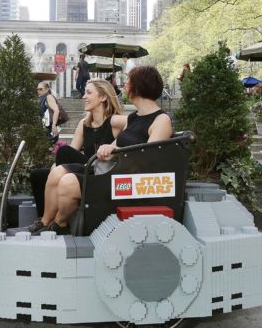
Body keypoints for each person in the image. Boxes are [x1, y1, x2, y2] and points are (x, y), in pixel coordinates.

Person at [32, 66, 173, 234]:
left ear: (138, 86)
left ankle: (59, 224)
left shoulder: (161, 119)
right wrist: (110, 148)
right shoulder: (134, 118)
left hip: (126, 181)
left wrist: (115, 150)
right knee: (59, 175)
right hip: (111, 171)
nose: (124, 85)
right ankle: (49, 223)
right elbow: (116, 145)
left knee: (68, 182)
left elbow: (148, 160)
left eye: (128, 81)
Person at [27, 79, 124, 234]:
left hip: (101, 171)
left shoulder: (113, 121)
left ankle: (53, 221)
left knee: (63, 152)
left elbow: (133, 124)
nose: (84, 96)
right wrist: (59, 167)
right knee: (38, 175)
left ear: (103, 97)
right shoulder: (84, 124)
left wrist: (113, 145)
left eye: (89, 93)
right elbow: (73, 152)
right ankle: (45, 220)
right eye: (84, 92)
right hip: (86, 167)